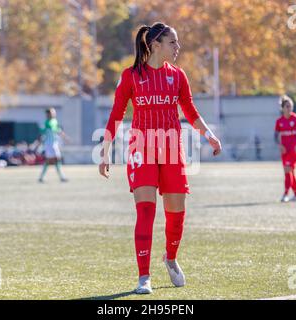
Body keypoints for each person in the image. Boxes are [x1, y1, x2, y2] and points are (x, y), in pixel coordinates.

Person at [99, 22, 222, 294]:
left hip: (171, 149)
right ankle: (144, 277)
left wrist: (209, 136)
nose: (177, 47)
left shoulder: (178, 76)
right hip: (142, 149)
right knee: (146, 211)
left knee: (176, 213)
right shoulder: (131, 75)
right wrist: (105, 152)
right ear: (156, 45)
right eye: (173, 43)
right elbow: (116, 114)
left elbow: (190, 110)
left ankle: (170, 258)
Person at [274, 95, 296, 202]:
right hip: (285, 150)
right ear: (283, 108)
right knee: (290, 172)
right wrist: (280, 145)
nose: (290, 108)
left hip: (295, 150)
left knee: (287, 169)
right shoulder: (279, 121)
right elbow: (275, 136)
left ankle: (285, 194)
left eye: (291, 106)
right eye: (287, 106)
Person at [38, 108, 70, 183]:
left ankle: (42, 177)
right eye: (52, 113)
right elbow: (46, 133)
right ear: (48, 114)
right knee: (56, 159)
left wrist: (65, 137)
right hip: (49, 145)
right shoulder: (47, 123)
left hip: (54, 144)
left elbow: (58, 130)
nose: (54, 114)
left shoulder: (54, 121)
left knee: (52, 160)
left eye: (54, 113)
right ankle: (61, 177)